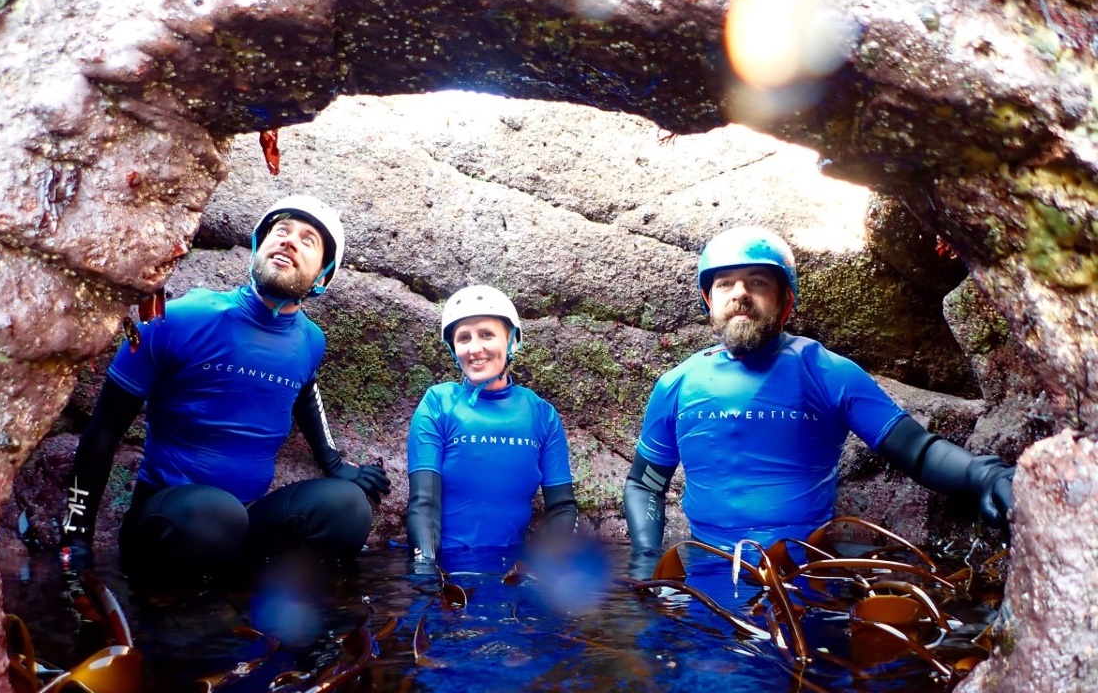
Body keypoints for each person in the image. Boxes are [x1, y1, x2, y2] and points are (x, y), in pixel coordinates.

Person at [624, 225, 1016, 562]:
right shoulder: (676, 384)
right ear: (709, 300)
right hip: (706, 566)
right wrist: (645, 559)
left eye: (757, 281)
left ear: (786, 301)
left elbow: (917, 451)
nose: (740, 293)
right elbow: (645, 485)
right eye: (725, 283)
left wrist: (984, 474)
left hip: (805, 573)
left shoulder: (829, 372)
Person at [57, 194, 390, 579]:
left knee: (347, 507)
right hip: (173, 517)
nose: (289, 240)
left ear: (322, 277)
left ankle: (269, 610)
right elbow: (103, 430)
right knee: (216, 515)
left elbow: (304, 392)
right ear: (256, 248)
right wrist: (76, 538)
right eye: (280, 231)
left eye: (307, 240)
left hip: (249, 518)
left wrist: (334, 464)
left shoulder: (310, 341)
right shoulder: (178, 319)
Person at [405, 285, 577, 564]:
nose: (475, 349)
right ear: (453, 348)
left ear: (512, 340)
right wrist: (425, 574)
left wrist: (546, 571)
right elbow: (423, 505)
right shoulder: (437, 403)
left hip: (515, 571)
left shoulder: (542, 414)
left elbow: (563, 507)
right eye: (464, 338)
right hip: (448, 569)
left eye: (487, 334)